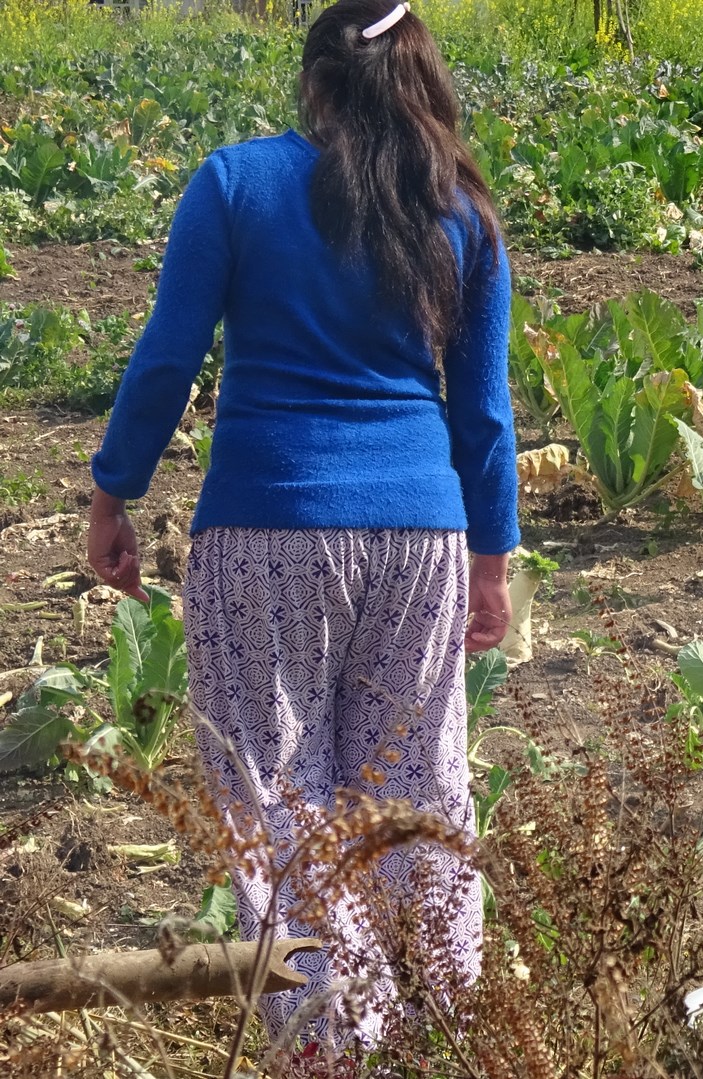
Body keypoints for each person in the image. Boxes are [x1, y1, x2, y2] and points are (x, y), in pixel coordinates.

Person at [85, 0, 515, 1056]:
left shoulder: (236, 183)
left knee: (279, 788)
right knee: (417, 787)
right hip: (420, 537)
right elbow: (487, 412)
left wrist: (113, 491)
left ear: (316, 86)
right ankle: (441, 1028)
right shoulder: (459, 208)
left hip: (268, 528)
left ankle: (327, 1038)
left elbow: (165, 359)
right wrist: (491, 564)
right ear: (417, 83)